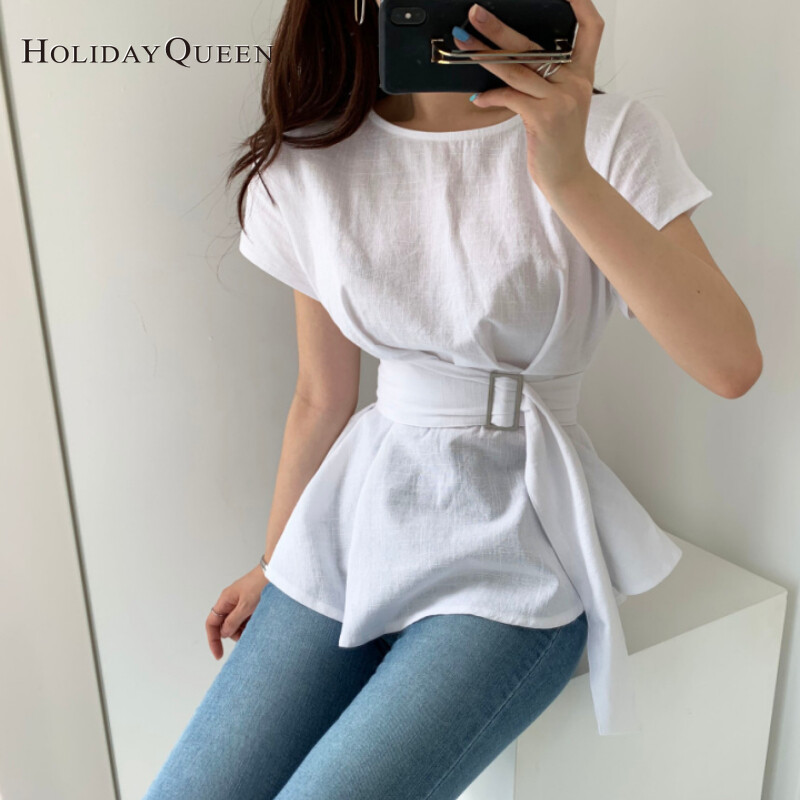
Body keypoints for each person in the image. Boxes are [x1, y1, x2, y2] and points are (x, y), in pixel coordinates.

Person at [144, 0, 761, 796]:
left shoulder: (608, 137)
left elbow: (729, 364)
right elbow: (321, 397)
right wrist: (276, 561)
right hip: (357, 521)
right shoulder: (314, 156)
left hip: (518, 547)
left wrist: (567, 174)